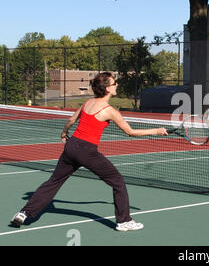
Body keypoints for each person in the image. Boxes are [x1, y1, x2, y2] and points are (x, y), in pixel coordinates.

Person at [10, 72, 168, 231]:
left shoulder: (88, 102)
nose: (117, 85)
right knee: (118, 182)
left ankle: (24, 213)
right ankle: (124, 221)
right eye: (114, 84)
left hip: (71, 147)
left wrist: (64, 133)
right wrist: (157, 131)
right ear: (107, 88)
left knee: (53, 182)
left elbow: (71, 120)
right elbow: (131, 132)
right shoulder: (110, 111)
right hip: (87, 152)